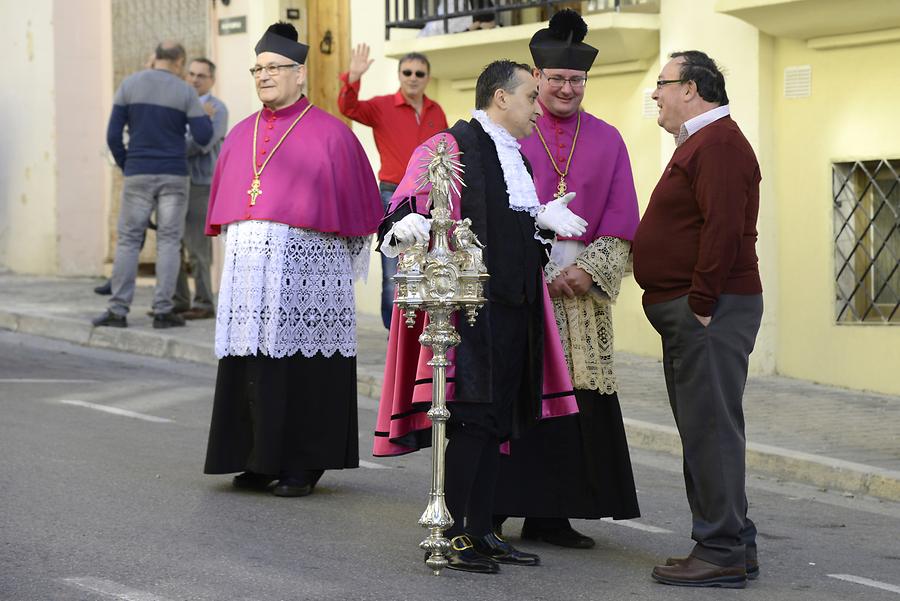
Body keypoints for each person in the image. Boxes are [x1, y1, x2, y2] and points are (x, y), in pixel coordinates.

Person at [375, 60, 588, 574]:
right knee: (469, 419)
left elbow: (514, 231)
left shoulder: (520, 158)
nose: (540, 108)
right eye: (531, 97)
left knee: (498, 422)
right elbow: (405, 207)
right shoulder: (449, 147)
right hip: (469, 312)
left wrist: (540, 223)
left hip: (517, 308)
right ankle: (452, 535)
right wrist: (406, 225)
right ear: (500, 98)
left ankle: (483, 530)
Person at [202, 22, 382, 498]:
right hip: (249, 271)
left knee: (303, 365)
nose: (263, 76)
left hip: (308, 272)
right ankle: (256, 457)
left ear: (299, 74)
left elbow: (360, 214)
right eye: (257, 68)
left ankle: (304, 462)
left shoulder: (332, 135)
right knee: (253, 362)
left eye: (273, 68)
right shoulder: (241, 134)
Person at [492, 8, 640, 549]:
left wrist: (586, 270)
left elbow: (624, 216)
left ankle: (552, 514)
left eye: (576, 80)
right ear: (535, 79)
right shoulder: (510, 134)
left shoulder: (607, 138)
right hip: (522, 285)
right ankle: (496, 508)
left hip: (580, 291)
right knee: (517, 391)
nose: (566, 88)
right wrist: (533, 269)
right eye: (555, 79)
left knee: (576, 396)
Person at [632, 50, 763, 589]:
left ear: (690, 88)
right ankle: (735, 541)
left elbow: (724, 228)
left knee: (710, 429)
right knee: (704, 427)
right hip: (696, 308)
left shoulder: (720, 144)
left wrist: (702, 303)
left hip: (709, 309)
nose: (656, 97)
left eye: (661, 86)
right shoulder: (703, 144)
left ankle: (721, 548)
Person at [93, 42, 213, 329]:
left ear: (156, 57)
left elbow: (112, 136)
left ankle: (118, 310)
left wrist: (128, 164)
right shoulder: (185, 91)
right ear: (179, 61)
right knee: (169, 241)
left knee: (128, 241)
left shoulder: (130, 84)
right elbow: (203, 135)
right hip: (173, 174)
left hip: (138, 172)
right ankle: (163, 311)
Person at [338, 46, 448, 330]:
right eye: (407, 72)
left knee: (427, 264)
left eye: (419, 73)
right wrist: (353, 77)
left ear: (427, 77)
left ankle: (420, 333)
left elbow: (446, 150)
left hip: (430, 197)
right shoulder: (382, 105)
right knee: (393, 269)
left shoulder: (436, 110)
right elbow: (348, 108)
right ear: (399, 75)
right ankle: (393, 335)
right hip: (393, 193)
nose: (412, 78)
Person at [173, 58, 229, 320]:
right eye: (191, 74)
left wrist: (171, 148)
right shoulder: (179, 104)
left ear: (212, 80)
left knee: (197, 248)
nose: (194, 79)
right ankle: (179, 301)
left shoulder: (218, 109)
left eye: (201, 76)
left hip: (200, 183)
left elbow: (202, 145)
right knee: (171, 245)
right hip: (175, 181)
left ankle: (205, 302)